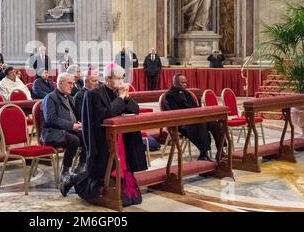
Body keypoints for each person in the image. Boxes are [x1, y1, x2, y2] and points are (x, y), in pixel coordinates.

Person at [60, 64, 147, 200]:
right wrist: (120, 99)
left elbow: (135, 110)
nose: (121, 82)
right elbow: (106, 114)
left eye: (122, 78)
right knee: (100, 173)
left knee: (117, 167)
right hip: (101, 140)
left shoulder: (119, 93)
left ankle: (74, 179)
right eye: (118, 78)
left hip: (121, 138)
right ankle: (74, 180)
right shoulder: (93, 94)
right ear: (108, 78)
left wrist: (126, 97)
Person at [164, 74, 223, 161]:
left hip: (194, 120)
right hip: (182, 123)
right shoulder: (169, 95)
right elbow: (175, 112)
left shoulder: (187, 93)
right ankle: (203, 153)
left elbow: (196, 107)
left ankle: (220, 150)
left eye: (185, 82)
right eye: (182, 83)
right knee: (201, 124)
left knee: (213, 122)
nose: (185, 84)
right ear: (175, 83)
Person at [42, 73, 86, 179]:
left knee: (89, 136)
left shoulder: (70, 98)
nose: (72, 86)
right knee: (74, 140)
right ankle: (65, 171)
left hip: (68, 131)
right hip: (52, 132)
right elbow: (51, 119)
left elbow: (76, 115)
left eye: (73, 83)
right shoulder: (50, 98)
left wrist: (81, 123)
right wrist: (71, 125)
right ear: (60, 83)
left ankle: (81, 166)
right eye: (70, 83)